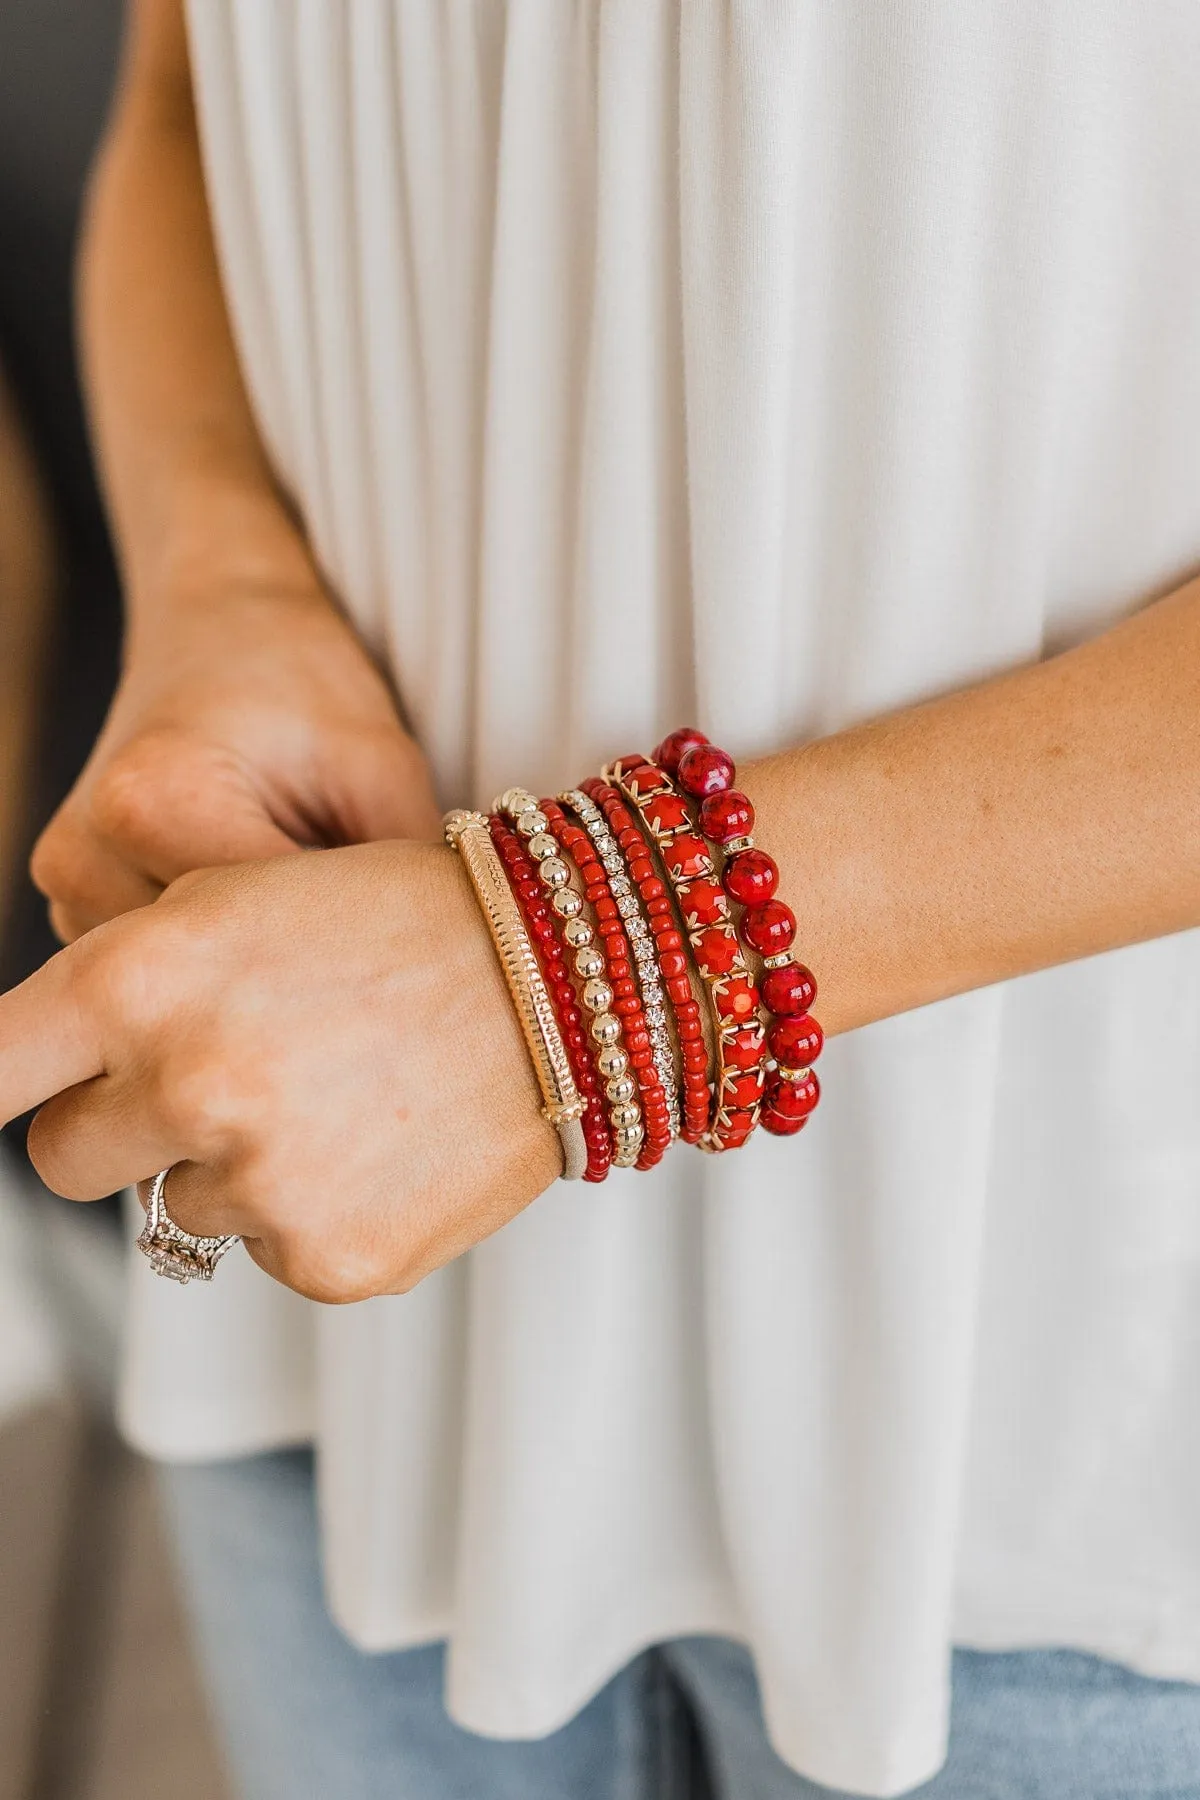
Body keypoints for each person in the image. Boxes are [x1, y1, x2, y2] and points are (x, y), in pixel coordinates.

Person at [2, 1, 1200, 1794]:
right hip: (336, 1361)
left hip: (1054, 1465)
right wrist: (220, 578)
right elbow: (183, 96)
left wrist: (558, 975)